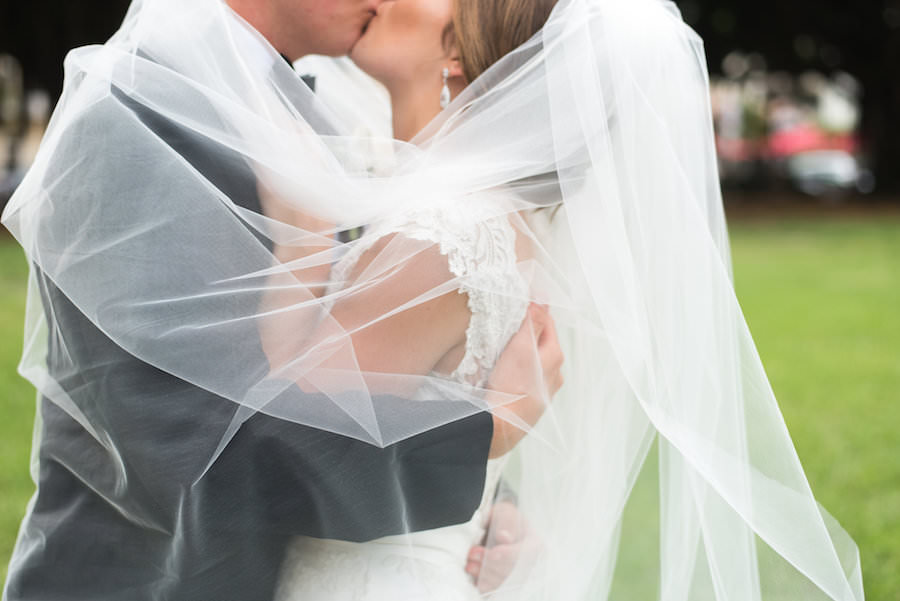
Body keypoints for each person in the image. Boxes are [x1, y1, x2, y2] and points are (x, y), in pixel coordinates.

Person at [0, 0, 562, 600]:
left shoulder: (306, 106)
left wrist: (486, 503)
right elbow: (190, 442)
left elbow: (377, 367)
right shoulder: (138, 110)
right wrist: (478, 440)